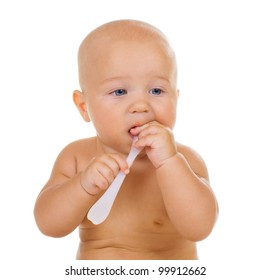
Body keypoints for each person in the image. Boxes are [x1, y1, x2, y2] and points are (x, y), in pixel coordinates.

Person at [34, 19, 218, 260]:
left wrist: (169, 163)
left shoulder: (186, 160)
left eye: (157, 91)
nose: (141, 106)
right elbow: (49, 225)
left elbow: (199, 228)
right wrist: (82, 186)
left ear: (176, 98)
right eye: (119, 92)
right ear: (84, 107)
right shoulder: (77, 157)